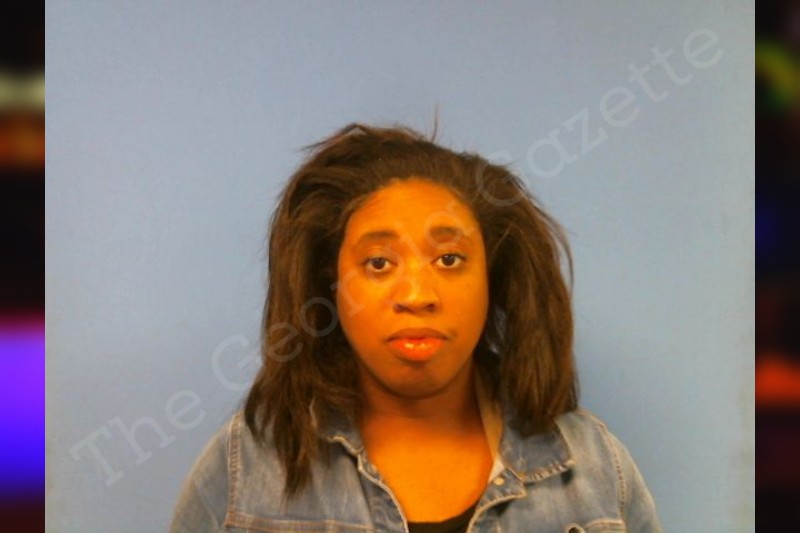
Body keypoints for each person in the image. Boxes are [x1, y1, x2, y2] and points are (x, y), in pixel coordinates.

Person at [170, 123, 662, 532]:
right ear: (331, 286)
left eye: (449, 259)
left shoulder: (596, 470)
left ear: (493, 277)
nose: (417, 295)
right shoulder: (245, 468)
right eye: (379, 263)